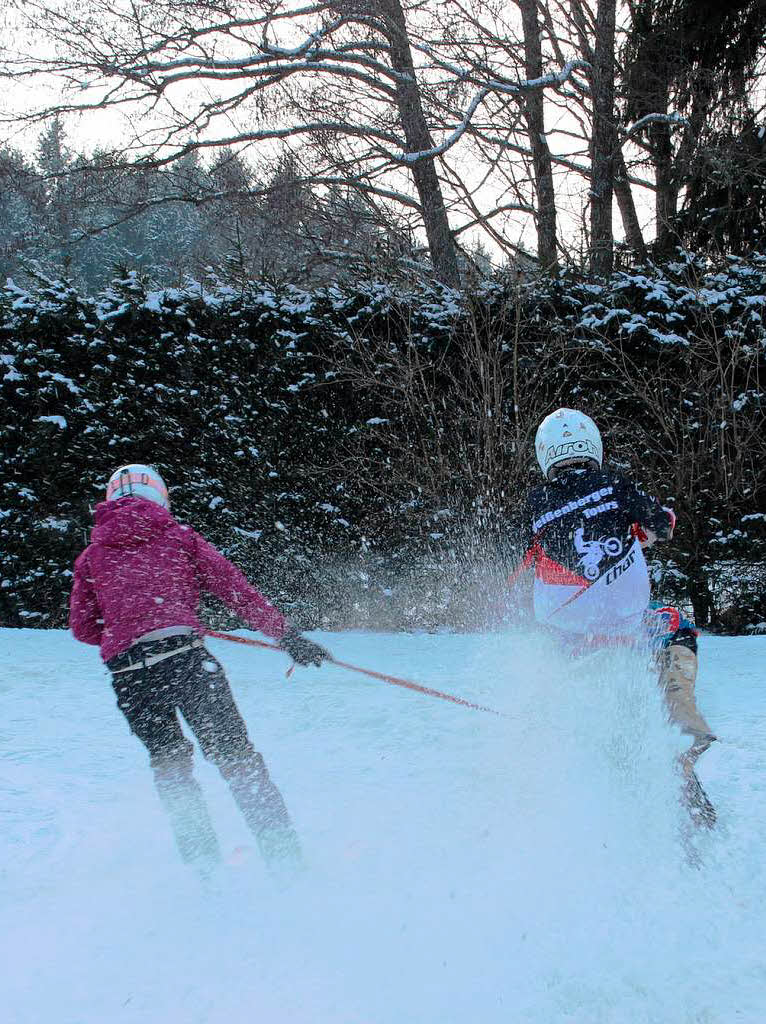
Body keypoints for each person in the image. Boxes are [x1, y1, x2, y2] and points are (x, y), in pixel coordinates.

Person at [69, 463, 330, 873]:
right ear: (160, 496)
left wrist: (127, 627)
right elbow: (235, 591)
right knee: (237, 759)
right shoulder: (180, 538)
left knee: (172, 769)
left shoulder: (91, 557)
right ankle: (286, 861)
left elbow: (83, 627)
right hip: (187, 665)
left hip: (130, 679)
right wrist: (285, 636)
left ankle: (205, 871)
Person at [511, 409, 716, 823]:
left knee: (550, 655)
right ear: (593, 445)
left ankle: (561, 741)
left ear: (545, 454)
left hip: (567, 640)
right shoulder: (615, 485)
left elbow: (507, 567)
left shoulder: (533, 505)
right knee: (677, 622)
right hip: (629, 630)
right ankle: (679, 713)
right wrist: (648, 532)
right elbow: (664, 522)